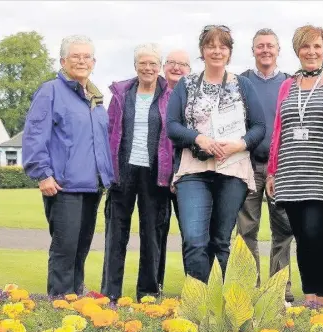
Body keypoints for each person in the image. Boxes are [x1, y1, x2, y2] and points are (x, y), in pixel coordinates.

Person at [166, 25, 266, 283]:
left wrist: (239, 144)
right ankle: (197, 304)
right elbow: (173, 126)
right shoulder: (186, 85)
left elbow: (259, 127)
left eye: (223, 46)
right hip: (194, 170)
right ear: (202, 50)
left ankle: (220, 309)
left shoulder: (243, 85)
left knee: (221, 241)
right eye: (211, 45)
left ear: (229, 52)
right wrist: (198, 138)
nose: (217, 51)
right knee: (195, 240)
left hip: (232, 169)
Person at [22, 35, 114, 296]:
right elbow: (35, 134)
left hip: (91, 186)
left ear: (94, 62)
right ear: (63, 61)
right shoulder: (50, 91)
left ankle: (75, 299)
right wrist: (43, 174)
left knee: (81, 248)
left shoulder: (95, 98)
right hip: (63, 186)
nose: (82, 61)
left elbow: (100, 142)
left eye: (87, 57)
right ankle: (59, 303)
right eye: (76, 56)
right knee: (65, 248)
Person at [266, 25, 323, 307]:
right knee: (302, 238)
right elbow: (279, 129)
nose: (311, 52)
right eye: (305, 47)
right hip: (290, 175)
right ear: (297, 51)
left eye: (317, 47)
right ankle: (311, 298)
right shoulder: (287, 85)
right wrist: (271, 171)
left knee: (319, 234)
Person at [101, 43, 173, 302]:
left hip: (156, 173)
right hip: (123, 171)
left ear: (160, 67)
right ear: (135, 66)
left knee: (153, 233)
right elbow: (110, 131)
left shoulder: (170, 94)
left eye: (153, 63)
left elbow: (172, 136)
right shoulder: (121, 94)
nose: (148, 68)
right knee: (116, 233)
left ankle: (148, 293)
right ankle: (110, 294)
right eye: (143, 63)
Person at [236, 28, 294, 302]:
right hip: (247, 164)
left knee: (283, 230)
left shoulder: (289, 83)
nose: (265, 50)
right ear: (253, 50)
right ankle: (248, 289)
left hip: (280, 168)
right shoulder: (241, 82)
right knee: (246, 229)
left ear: (278, 49)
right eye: (260, 46)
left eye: (270, 45)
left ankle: (279, 289)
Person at [157, 49, 191, 293]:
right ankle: (154, 286)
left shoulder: (193, 96)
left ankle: (194, 288)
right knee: (156, 232)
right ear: (164, 66)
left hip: (186, 175)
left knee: (192, 234)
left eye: (182, 64)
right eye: (172, 63)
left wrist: (178, 171)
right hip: (156, 176)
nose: (177, 68)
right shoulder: (153, 93)